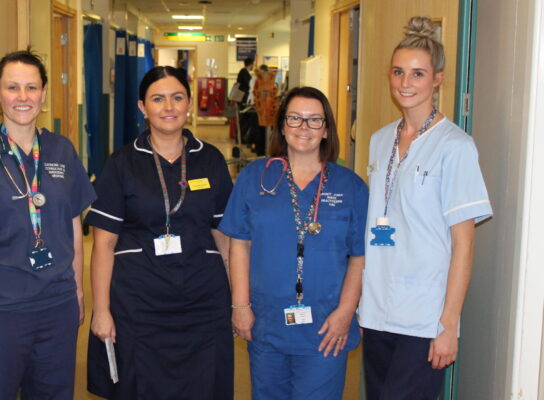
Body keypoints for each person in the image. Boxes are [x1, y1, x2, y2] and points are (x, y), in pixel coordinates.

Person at [0, 49, 95, 399]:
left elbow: (73, 226)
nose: (22, 97)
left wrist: (77, 289)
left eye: (31, 87)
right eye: (13, 88)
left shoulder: (61, 151)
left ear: (43, 94)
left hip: (56, 306)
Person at [358, 16, 493, 399]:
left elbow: (464, 244)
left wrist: (448, 324)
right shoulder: (380, 140)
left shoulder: (455, 146)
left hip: (424, 316)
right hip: (378, 307)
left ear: (438, 79)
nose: (405, 83)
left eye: (418, 74)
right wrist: (365, 307)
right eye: (398, 72)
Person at [87, 66, 234, 399]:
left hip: (202, 300)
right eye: (158, 99)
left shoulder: (209, 159)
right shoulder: (122, 163)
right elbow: (104, 244)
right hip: (139, 303)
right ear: (143, 107)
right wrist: (102, 309)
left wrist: (238, 303)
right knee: (141, 386)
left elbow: (225, 239)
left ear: (189, 103)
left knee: (202, 386)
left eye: (177, 97)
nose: (169, 107)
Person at [219, 86, 368, 399]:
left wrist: (345, 312)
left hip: (326, 326)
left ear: (326, 129)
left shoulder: (350, 186)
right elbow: (239, 245)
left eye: (315, 120)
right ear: (282, 127)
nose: (304, 128)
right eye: (295, 119)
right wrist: (240, 306)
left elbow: (359, 256)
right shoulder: (255, 177)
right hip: (266, 322)